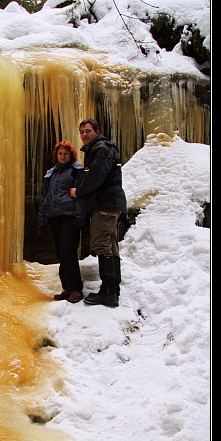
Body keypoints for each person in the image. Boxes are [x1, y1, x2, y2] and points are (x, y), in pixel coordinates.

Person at [70, 119, 126, 308]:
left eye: (88, 131)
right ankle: (113, 291)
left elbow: (96, 176)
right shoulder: (101, 148)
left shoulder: (100, 149)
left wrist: (79, 191)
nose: (84, 135)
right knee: (110, 244)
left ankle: (108, 292)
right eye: (82, 132)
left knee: (100, 244)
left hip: (105, 204)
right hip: (111, 203)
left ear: (97, 131)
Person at [38, 140, 86, 303]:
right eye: (60, 153)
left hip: (69, 215)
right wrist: (42, 219)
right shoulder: (51, 174)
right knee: (60, 253)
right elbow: (45, 198)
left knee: (67, 251)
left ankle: (76, 289)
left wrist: (80, 216)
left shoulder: (76, 170)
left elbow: (81, 195)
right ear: (56, 155)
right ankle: (67, 287)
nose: (63, 156)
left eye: (66, 153)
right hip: (54, 216)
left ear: (71, 155)